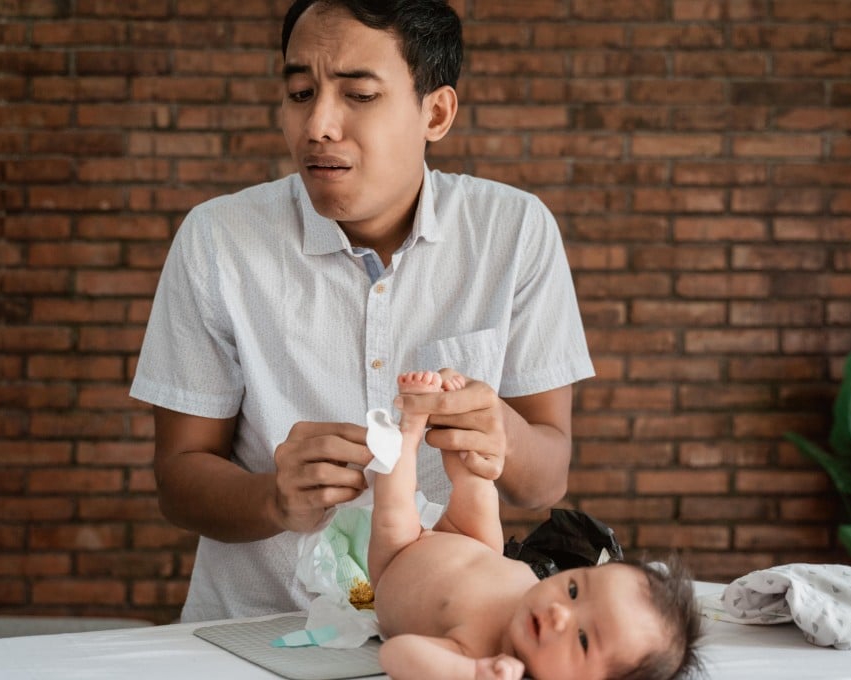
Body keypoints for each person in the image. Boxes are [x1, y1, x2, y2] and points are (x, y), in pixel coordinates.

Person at [129, 0, 594, 622]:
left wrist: (499, 433)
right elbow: (177, 479)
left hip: (446, 636)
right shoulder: (219, 239)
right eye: (300, 92)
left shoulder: (512, 232)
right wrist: (273, 499)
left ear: (436, 112)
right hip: (254, 632)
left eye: (359, 95)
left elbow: (546, 482)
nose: (318, 124)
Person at [371, 370, 701, 680]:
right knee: (479, 487)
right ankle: (452, 422)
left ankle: (409, 427)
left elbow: (397, 654)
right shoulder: (536, 597)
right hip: (475, 543)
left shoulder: (480, 652)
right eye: (573, 589)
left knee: (394, 507)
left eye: (583, 639)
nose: (559, 612)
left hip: (400, 556)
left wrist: (471, 672)